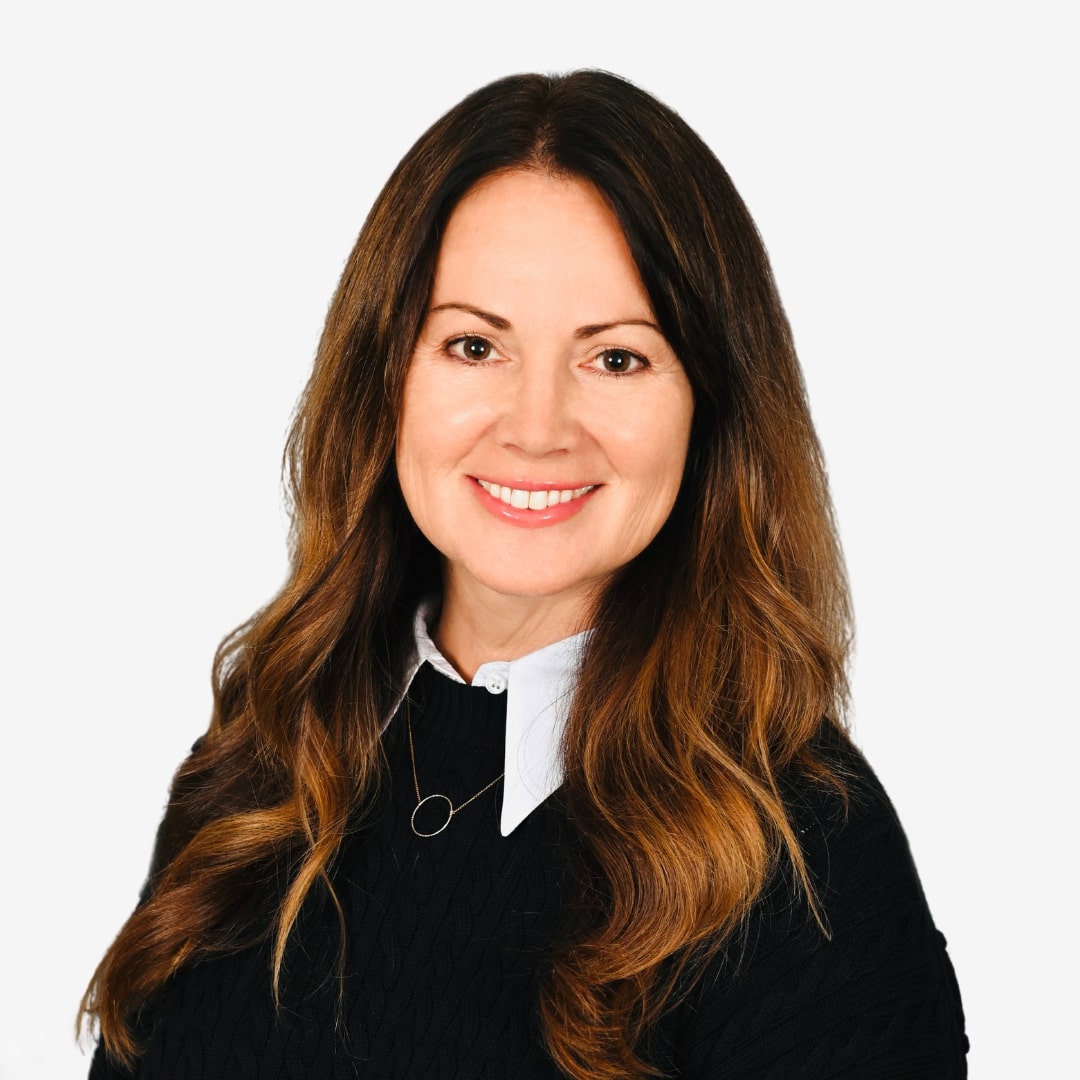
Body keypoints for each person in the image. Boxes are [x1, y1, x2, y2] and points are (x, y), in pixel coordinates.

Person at [82, 70, 967, 1078]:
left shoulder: (808, 855)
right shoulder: (269, 746)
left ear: (709, 403)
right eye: (473, 345)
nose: (537, 428)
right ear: (386, 379)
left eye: (617, 359)